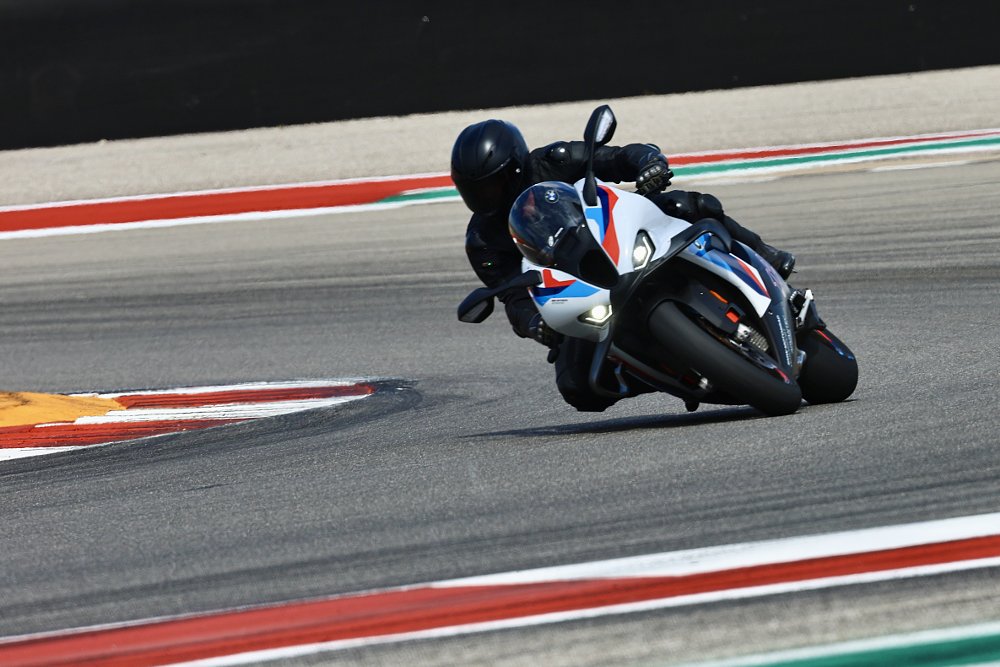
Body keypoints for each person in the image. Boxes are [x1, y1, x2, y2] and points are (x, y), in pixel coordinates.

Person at [452, 118, 796, 411]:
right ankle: (669, 371)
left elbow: (614, 158)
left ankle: (764, 255)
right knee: (577, 386)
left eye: (491, 185)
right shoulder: (483, 240)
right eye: (473, 189)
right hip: (578, 290)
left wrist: (649, 163)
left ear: (514, 168)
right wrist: (535, 325)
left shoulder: (552, 161)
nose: (483, 197)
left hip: (618, 236)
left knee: (687, 205)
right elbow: (514, 297)